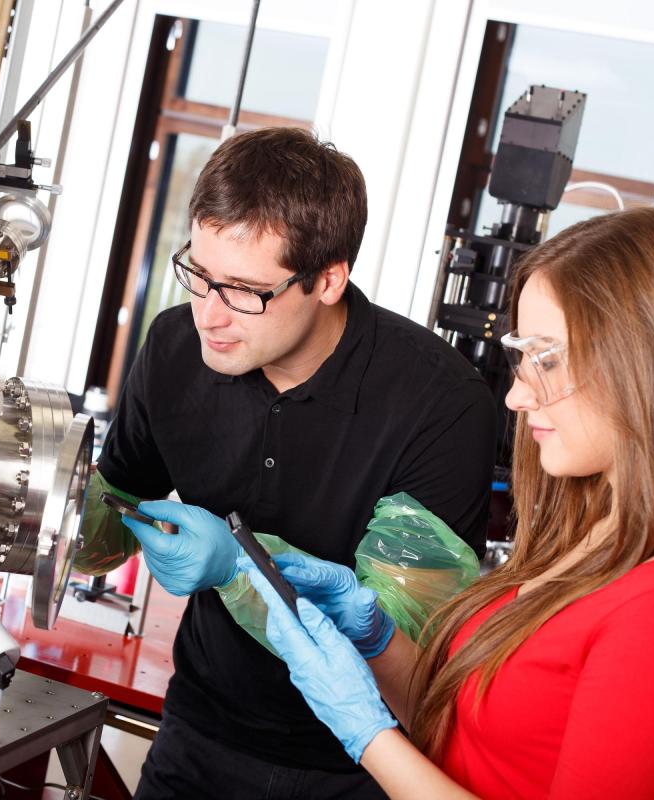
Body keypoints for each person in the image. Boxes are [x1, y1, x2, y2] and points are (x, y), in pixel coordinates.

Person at [242, 206, 654, 799]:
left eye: (545, 359)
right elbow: (482, 737)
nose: (515, 395)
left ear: (646, 364)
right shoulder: (604, 533)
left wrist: (367, 735)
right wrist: (376, 639)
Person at [82, 127, 496, 799]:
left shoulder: (440, 404)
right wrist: (26, 486)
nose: (209, 316)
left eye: (245, 290)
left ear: (328, 279)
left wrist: (237, 568)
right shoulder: (173, 348)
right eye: (200, 276)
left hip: (356, 770)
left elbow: (399, 658)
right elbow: (99, 537)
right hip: (198, 734)